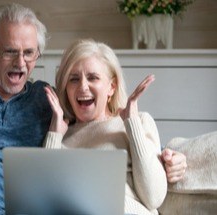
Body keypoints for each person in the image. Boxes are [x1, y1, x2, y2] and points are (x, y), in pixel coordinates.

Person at [0, 3, 186, 215]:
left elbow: (99, 125)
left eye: (29, 53)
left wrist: (167, 157)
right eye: (10, 51)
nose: (21, 63)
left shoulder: (47, 101)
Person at [43, 39, 167, 214]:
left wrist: (132, 125)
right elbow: (42, 201)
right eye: (74, 79)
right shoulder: (60, 137)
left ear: (112, 87)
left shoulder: (138, 123)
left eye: (93, 77)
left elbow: (154, 197)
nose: (83, 86)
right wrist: (54, 134)